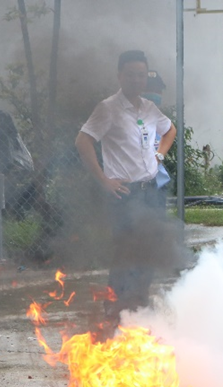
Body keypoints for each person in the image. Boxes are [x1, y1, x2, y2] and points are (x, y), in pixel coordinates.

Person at [76, 50, 177, 321]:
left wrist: (160, 155)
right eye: (130, 74)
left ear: (146, 78)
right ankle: (114, 314)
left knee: (149, 254)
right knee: (125, 257)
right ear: (120, 76)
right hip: (125, 194)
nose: (136, 80)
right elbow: (83, 141)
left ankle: (138, 310)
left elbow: (170, 130)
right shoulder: (107, 108)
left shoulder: (148, 107)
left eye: (141, 75)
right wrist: (103, 179)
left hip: (151, 191)